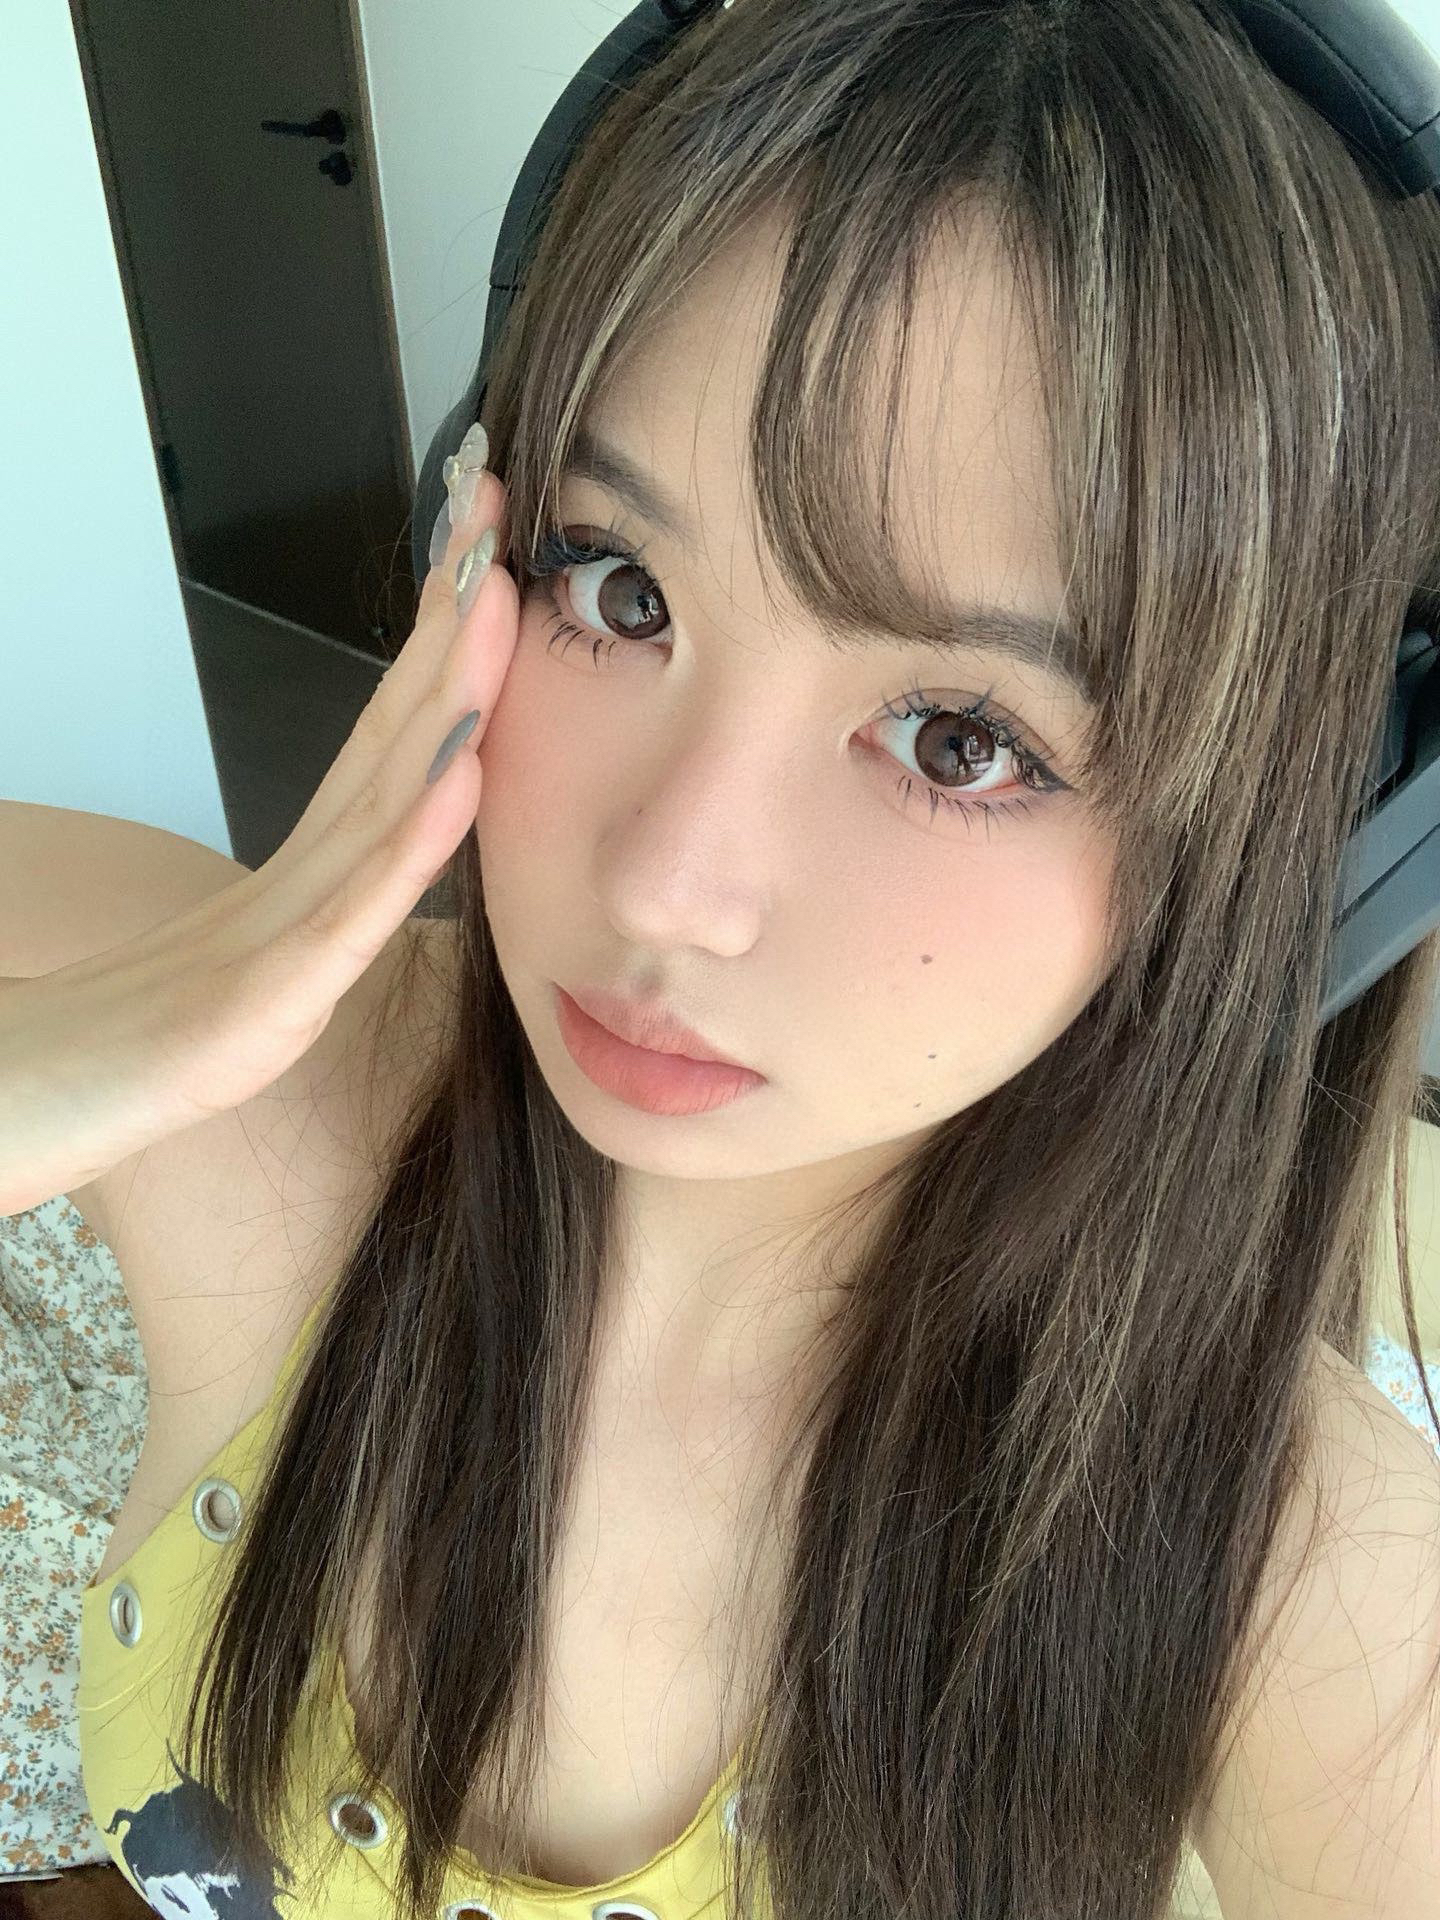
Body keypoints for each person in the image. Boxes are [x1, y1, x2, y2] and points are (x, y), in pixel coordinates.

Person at [38, 1, 1440, 1917]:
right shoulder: (245, 1091)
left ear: (1318, 849)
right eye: (620, 588)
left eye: (961, 739)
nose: (668, 883)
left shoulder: (1302, 1581)